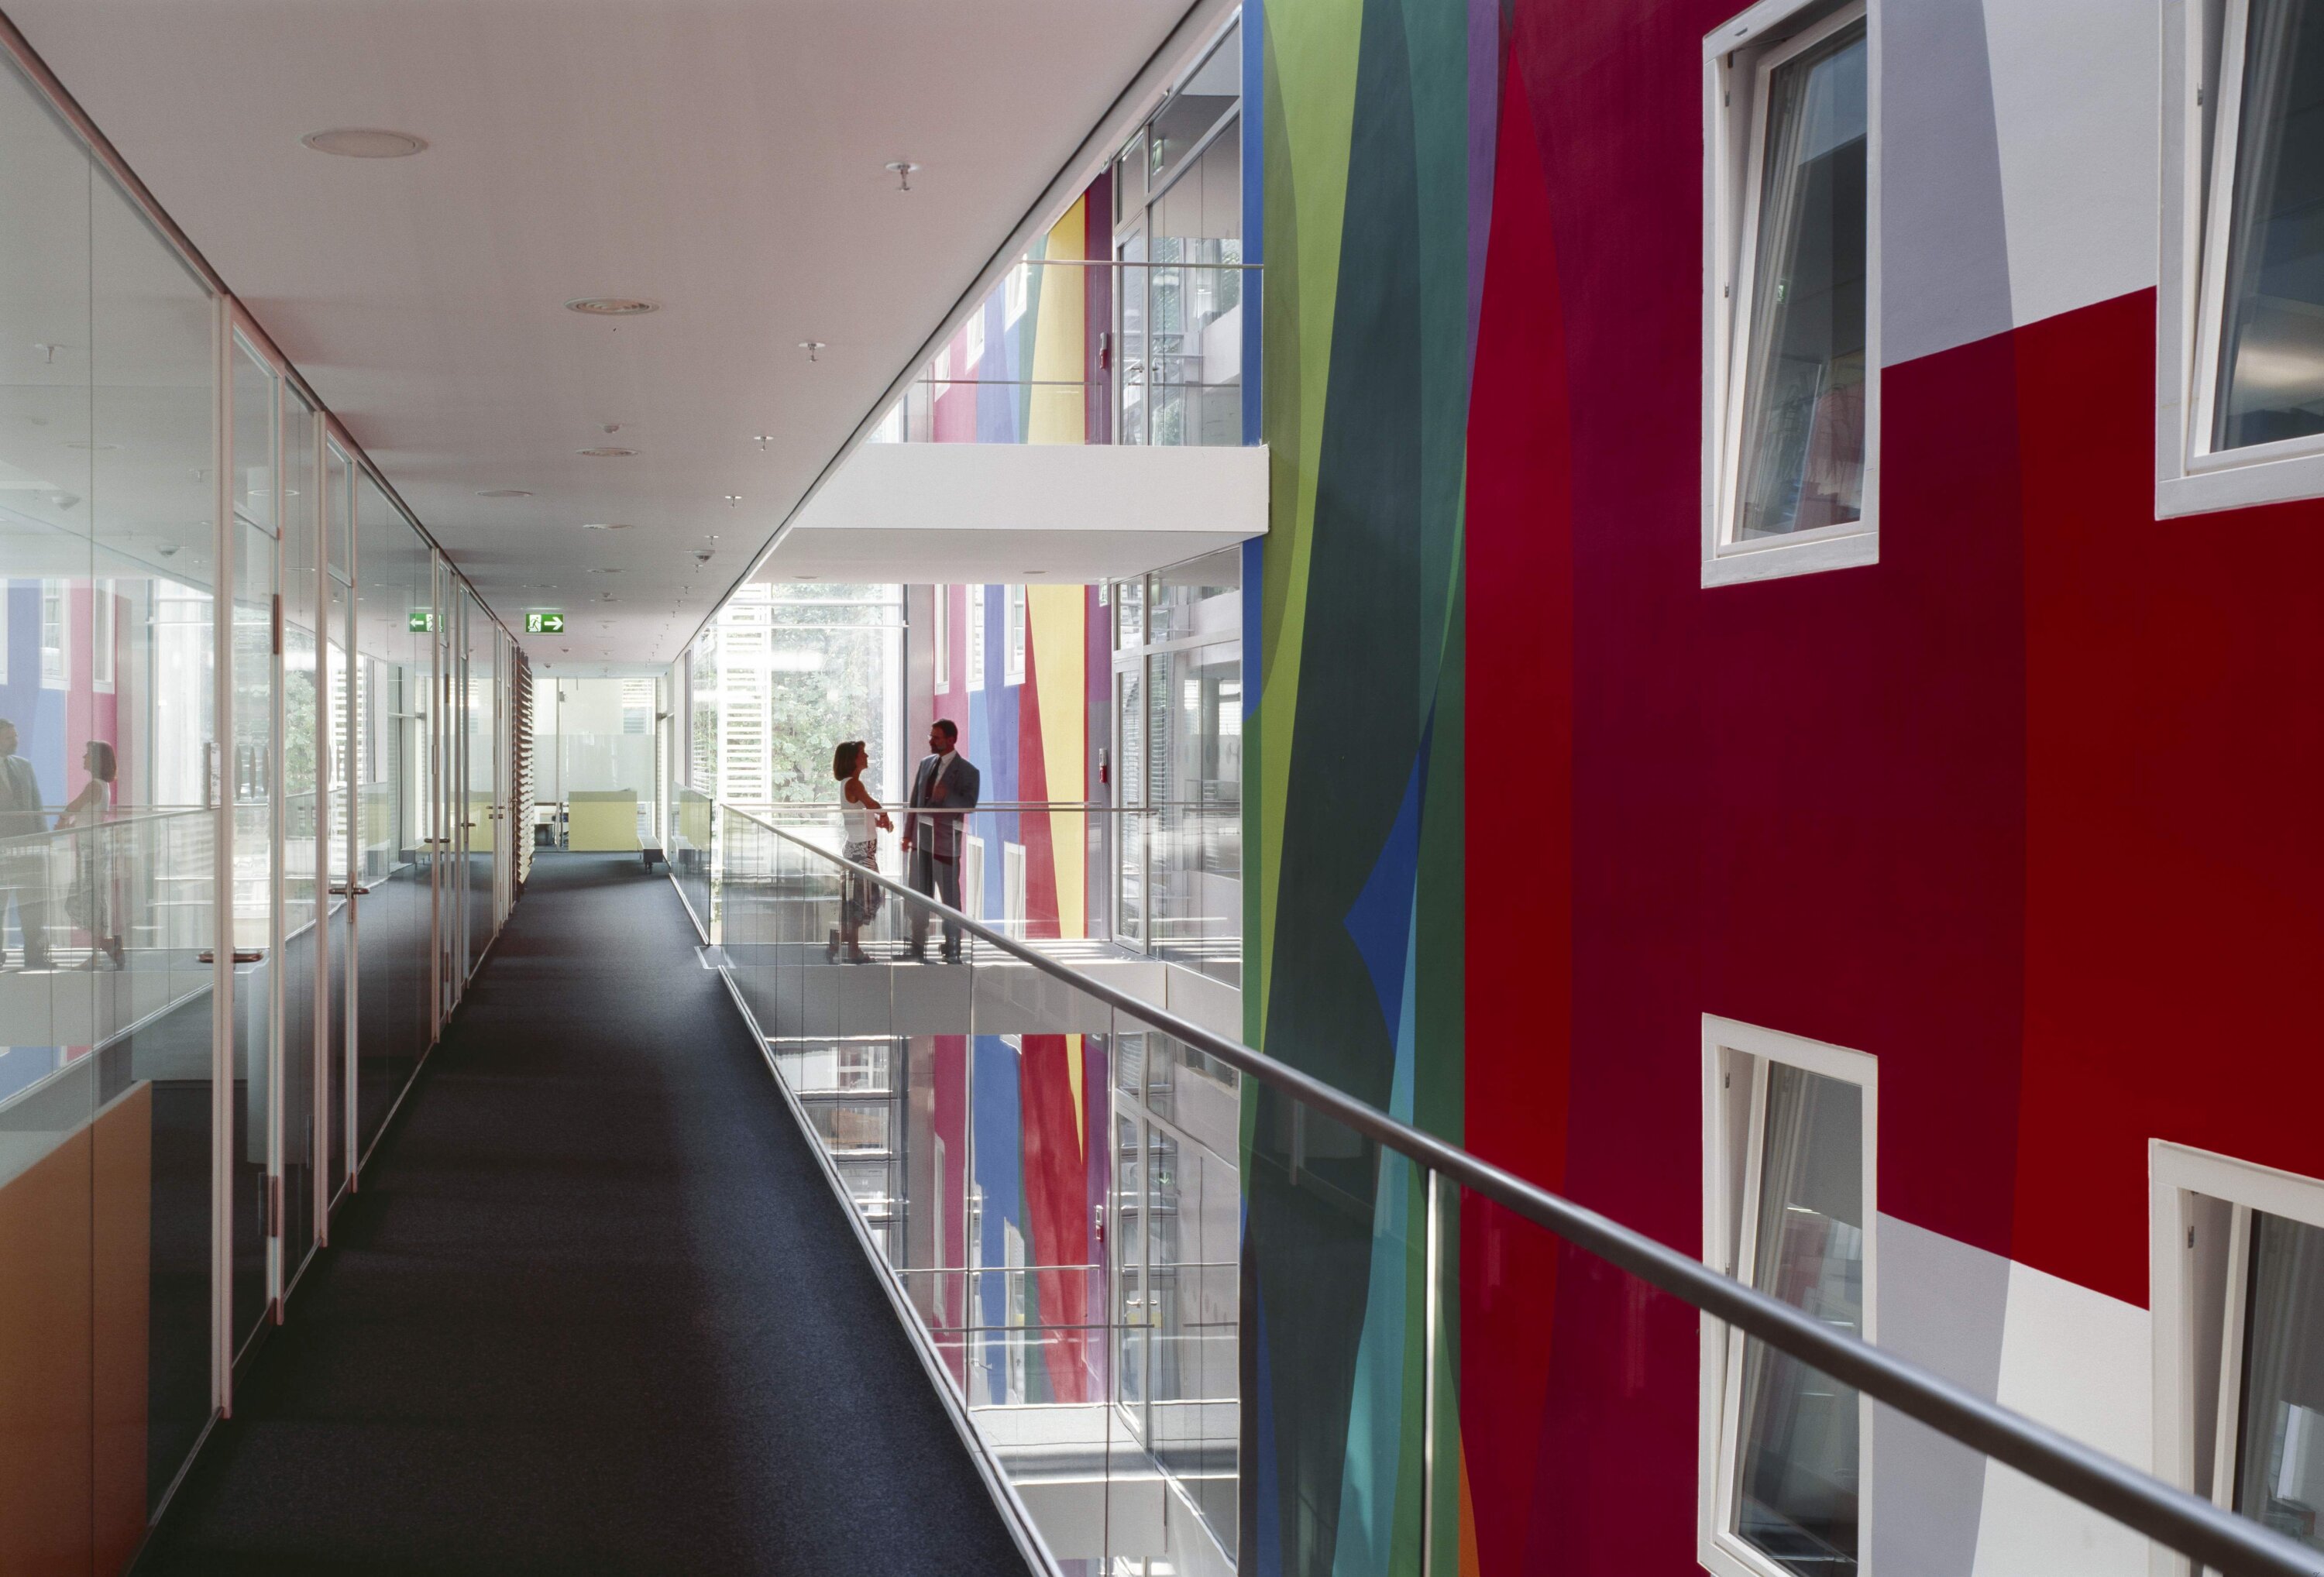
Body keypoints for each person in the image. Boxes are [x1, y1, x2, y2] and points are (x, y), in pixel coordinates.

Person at [900, 718, 979, 962]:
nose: (931, 741)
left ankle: (953, 946)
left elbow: (969, 805)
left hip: (945, 845)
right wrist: (907, 834)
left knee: (950, 899)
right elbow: (915, 803)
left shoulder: (968, 771)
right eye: (931, 736)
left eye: (936, 737)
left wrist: (948, 796)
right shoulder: (926, 764)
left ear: (951, 740)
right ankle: (917, 945)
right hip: (920, 843)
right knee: (917, 895)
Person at [56, 740, 122, 970]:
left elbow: (72, 807)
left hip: (90, 850)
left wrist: (62, 821)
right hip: (95, 847)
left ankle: (104, 945)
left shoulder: (94, 785)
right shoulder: (103, 785)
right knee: (92, 897)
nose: (83, 758)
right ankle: (100, 949)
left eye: (87, 755)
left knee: (83, 898)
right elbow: (88, 814)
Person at [827, 738, 892, 964]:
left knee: (862, 900)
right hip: (861, 852)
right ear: (853, 759)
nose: (866, 757)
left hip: (861, 849)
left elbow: (860, 812)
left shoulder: (850, 783)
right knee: (866, 900)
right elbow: (872, 804)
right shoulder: (853, 783)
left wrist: (877, 819)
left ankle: (846, 943)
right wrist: (882, 815)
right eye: (863, 754)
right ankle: (847, 944)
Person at [0, 719, 51, 971]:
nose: (15, 741)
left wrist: (44, 841)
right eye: (9, 737)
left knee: (33, 906)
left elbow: (37, 807)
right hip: (1, 850)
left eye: (16, 736)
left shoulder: (23, 766)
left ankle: (35, 955)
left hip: (28, 850)